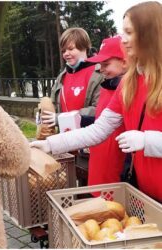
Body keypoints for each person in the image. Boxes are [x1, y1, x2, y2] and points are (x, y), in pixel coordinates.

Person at [31, 1, 162, 203]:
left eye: (129, 32)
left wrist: (147, 141)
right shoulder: (129, 83)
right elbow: (98, 129)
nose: (123, 40)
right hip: (145, 195)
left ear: (149, 34)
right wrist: (49, 144)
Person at [85, 36, 128, 187]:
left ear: (124, 62)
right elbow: (101, 122)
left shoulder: (127, 91)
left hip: (116, 175)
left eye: (106, 64)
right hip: (98, 167)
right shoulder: (106, 87)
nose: (101, 69)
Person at [42, 27, 104, 128]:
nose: (66, 54)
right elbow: (53, 103)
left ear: (84, 47)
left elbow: (99, 109)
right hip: (65, 138)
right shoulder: (62, 76)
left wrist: (61, 118)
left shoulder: (99, 73)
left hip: (89, 138)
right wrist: (44, 115)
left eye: (71, 49)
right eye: (63, 51)